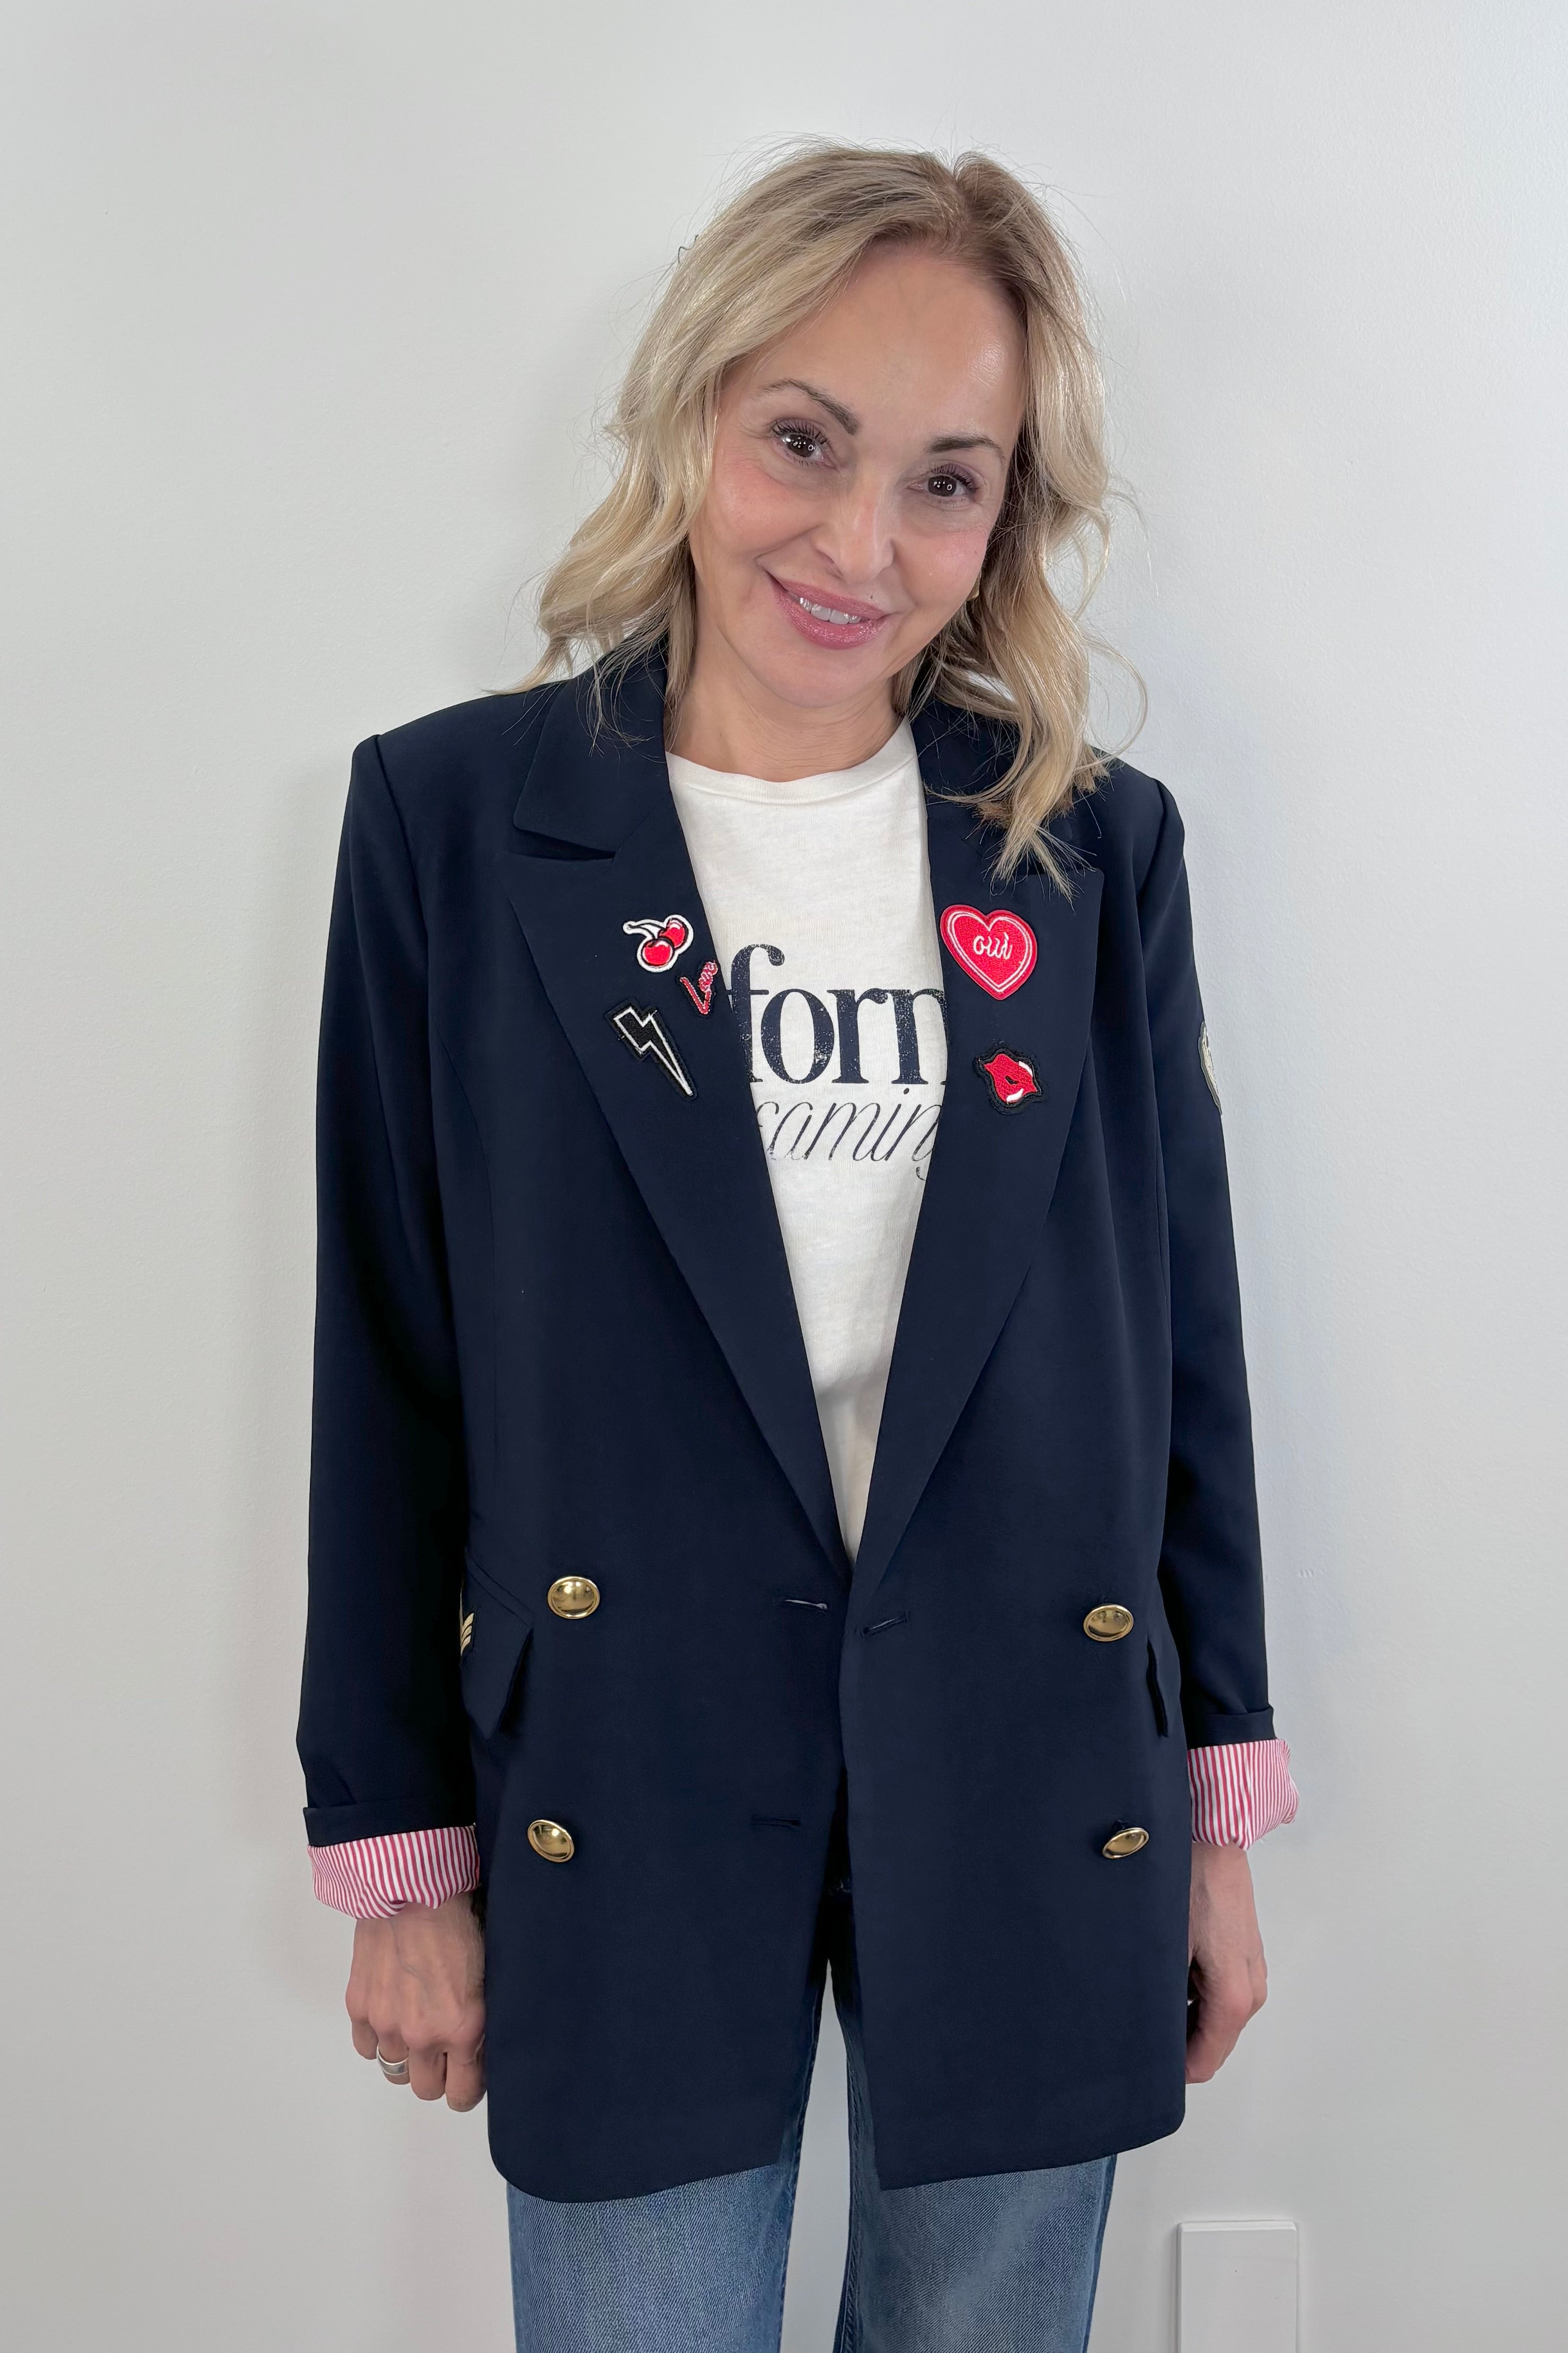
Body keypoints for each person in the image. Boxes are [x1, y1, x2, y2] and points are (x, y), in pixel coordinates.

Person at [298, 140, 1297, 2352]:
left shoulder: (1088, 855)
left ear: (1004, 518)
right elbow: (385, 1357)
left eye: (944, 481)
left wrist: (1210, 1790)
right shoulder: (457, 828)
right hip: (624, 1754)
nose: (857, 545)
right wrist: (398, 1851)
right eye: (803, 444)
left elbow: (1180, 1343)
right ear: (693, 415)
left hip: (1038, 1758)